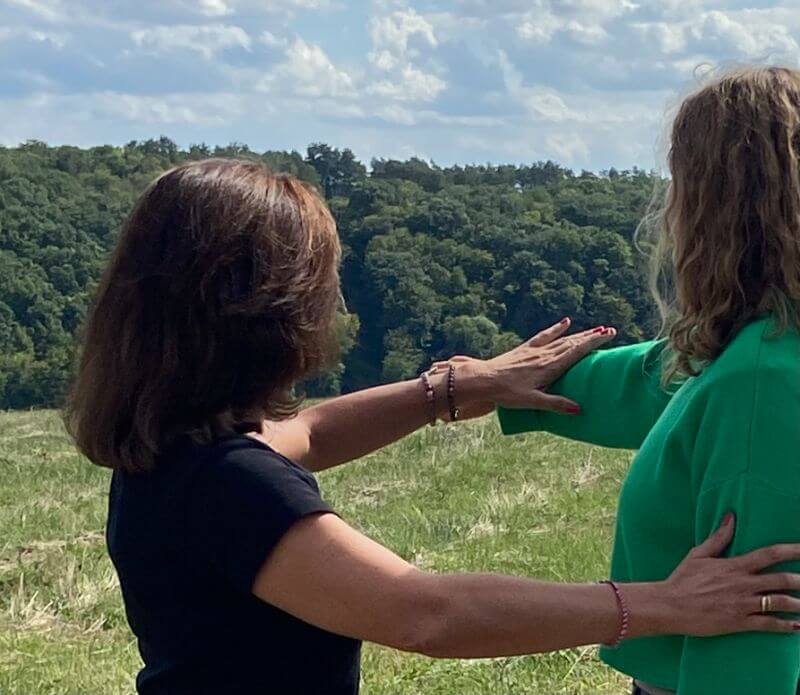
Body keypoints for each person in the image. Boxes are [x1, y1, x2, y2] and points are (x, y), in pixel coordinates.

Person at [64, 158, 800, 695]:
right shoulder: (228, 486)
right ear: (260, 312)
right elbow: (426, 614)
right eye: (321, 280)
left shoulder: (180, 446)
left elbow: (312, 433)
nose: (334, 300)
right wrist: (660, 603)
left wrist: (448, 390)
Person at [497, 66, 800, 695]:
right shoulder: (766, 344)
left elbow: (755, 635)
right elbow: (658, 382)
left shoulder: (758, 382)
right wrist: (492, 384)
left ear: (718, 202)